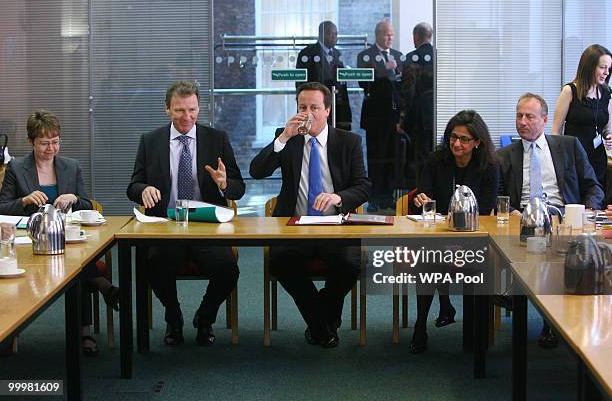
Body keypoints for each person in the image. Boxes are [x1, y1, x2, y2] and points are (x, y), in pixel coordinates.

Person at [250, 82, 370, 348]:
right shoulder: (287, 138)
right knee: (280, 262)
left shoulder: (348, 142)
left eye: (314, 107)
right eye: (302, 107)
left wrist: (339, 197)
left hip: (335, 227)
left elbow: (363, 186)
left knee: (352, 263)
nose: (308, 113)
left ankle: (320, 324)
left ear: (327, 110)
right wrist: (282, 139)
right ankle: (324, 324)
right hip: (295, 227)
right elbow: (257, 171)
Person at [126, 81, 244, 346]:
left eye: (192, 110)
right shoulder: (151, 141)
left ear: (199, 108)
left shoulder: (217, 139)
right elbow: (132, 186)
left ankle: (205, 317)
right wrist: (143, 189)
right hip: (167, 225)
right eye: (179, 110)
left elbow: (239, 188)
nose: (186, 117)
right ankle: (173, 316)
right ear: (167, 109)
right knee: (153, 264)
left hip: (207, 227)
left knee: (228, 269)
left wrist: (225, 184)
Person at [0, 110, 120, 357]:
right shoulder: (16, 167)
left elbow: (87, 204)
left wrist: (74, 198)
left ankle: (85, 331)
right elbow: (2, 208)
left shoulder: (70, 166)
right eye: (44, 143)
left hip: (67, 239)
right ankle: (103, 289)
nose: (50, 148)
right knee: (81, 268)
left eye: (55, 142)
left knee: (77, 264)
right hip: (32, 242)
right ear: (31, 141)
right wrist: (24, 200)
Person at [498, 93, 604, 348]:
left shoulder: (568, 146)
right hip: (523, 220)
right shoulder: (503, 155)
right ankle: (541, 313)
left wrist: (586, 210)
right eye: (519, 116)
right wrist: (511, 211)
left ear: (544, 120)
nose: (522, 121)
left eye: (529, 116)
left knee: (561, 252)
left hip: (563, 217)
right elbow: (497, 196)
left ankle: (551, 321)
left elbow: (594, 187)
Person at [409, 110, 498, 353]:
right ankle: (420, 325)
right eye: (452, 137)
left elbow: (487, 210)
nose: (456, 144)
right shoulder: (436, 160)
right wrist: (421, 199)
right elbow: (424, 196)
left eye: (464, 139)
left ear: (477, 142)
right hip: (438, 235)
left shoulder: (489, 166)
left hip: (473, 239)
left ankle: (459, 320)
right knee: (427, 261)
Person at [357, 20, 403, 212]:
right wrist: (386, 69)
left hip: (394, 116)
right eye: (386, 35)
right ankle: (374, 196)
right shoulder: (365, 56)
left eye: (392, 35)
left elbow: (405, 83)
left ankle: (388, 195)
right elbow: (363, 81)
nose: (390, 38)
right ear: (377, 35)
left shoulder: (399, 56)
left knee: (392, 156)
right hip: (375, 116)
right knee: (376, 157)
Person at [551, 44, 612, 187]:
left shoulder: (607, 94)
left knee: (596, 202)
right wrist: (557, 161)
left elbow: (607, 129)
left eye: (609, 68)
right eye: (602, 67)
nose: (606, 73)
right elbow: (556, 132)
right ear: (590, 66)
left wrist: (608, 136)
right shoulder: (570, 91)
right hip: (573, 159)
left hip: (597, 159)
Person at [296, 21, 352, 131]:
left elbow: (340, 81)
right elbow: (301, 82)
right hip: (316, 106)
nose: (335, 37)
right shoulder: (307, 53)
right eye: (331, 34)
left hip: (337, 106)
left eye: (336, 34)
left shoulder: (337, 54)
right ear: (322, 34)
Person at [400, 22, 434, 189]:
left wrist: (402, 121)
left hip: (420, 115)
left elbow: (408, 91)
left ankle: (421, 192)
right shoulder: (440, 56)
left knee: (420, 157)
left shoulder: (412, 58)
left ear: (416, 37)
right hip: (438, 113)